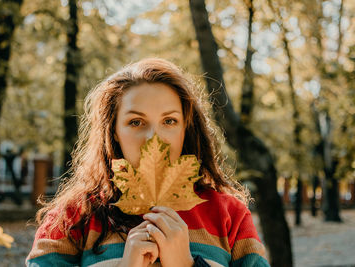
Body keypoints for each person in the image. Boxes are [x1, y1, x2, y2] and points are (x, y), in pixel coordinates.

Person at [26, 58, 270, 267]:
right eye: (136, 122)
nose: (154, 138)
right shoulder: (73, 217)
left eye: (169, 121)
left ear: (187, 128)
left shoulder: (229, 215)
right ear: (113, 133)